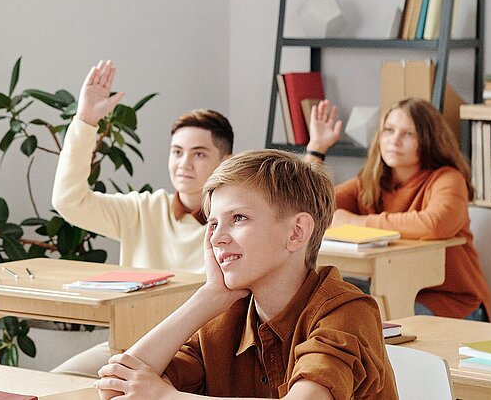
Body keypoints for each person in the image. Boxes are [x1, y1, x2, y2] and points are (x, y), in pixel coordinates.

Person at [92, 150, 396, 400]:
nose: (217, 238)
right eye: (212, 224)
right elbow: (113, 389)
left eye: (238, 218)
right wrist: (208, 296)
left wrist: (165, 397)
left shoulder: (346, 311)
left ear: (296, 232)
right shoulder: (225, 316)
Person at [49, 60, 234, 376]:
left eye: (199, 153)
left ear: (225, 161)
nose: (184, 163)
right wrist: (86, 120)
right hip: (127, 345)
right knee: (54, 384)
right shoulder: (142, 209)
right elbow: (69, 201)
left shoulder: (239, 222)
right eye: (177, 152)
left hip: (198, 352)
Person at [306, 97, 491, 320]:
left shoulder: (448, 178)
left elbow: (435, 225)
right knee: (322, 306)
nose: (395, 141)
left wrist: (355, 221)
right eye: (389, 130)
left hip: (452, 304)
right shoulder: (371, 180)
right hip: (388, 290)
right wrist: (316, 149)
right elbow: (307, 203)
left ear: (428, 140)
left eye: (408, 134)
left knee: (361, 318)